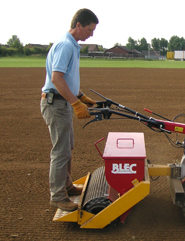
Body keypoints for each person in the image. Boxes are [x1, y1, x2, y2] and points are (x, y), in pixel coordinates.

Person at [40, 9, 99, 211]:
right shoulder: (66, 45)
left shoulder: (72, 45)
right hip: (56, 104)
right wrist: (76, 104)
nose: (91, 34)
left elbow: (67, 78)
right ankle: (57, 196)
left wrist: (80, 96)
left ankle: (66, 186)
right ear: (78, 25)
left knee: (67, 147)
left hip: (62, 102)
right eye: (90, 30)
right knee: (60, 151)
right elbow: (56, 78)